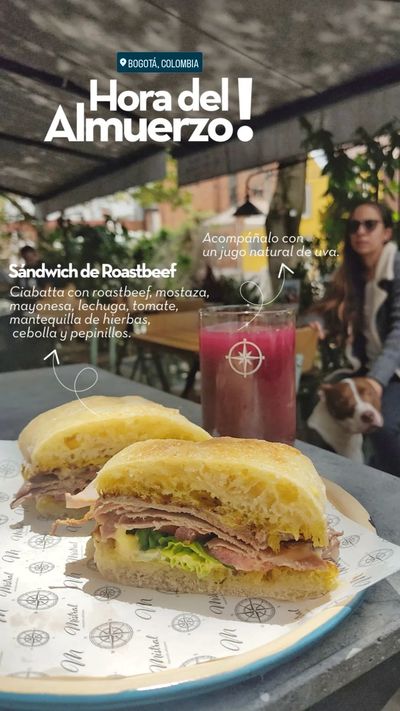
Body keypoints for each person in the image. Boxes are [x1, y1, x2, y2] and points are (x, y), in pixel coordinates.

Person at [308, 201, 400, 476]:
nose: (360, 231)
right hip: (366, 368)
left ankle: (389, 487)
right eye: (354, 226)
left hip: (392, 370)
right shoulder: (351, 274)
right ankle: (350, 475)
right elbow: (321, 310)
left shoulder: (396, 268)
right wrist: (316, 323)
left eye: (370, 224)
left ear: (386, 232)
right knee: (318, 409)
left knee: (384, 426)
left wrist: (376, 380)